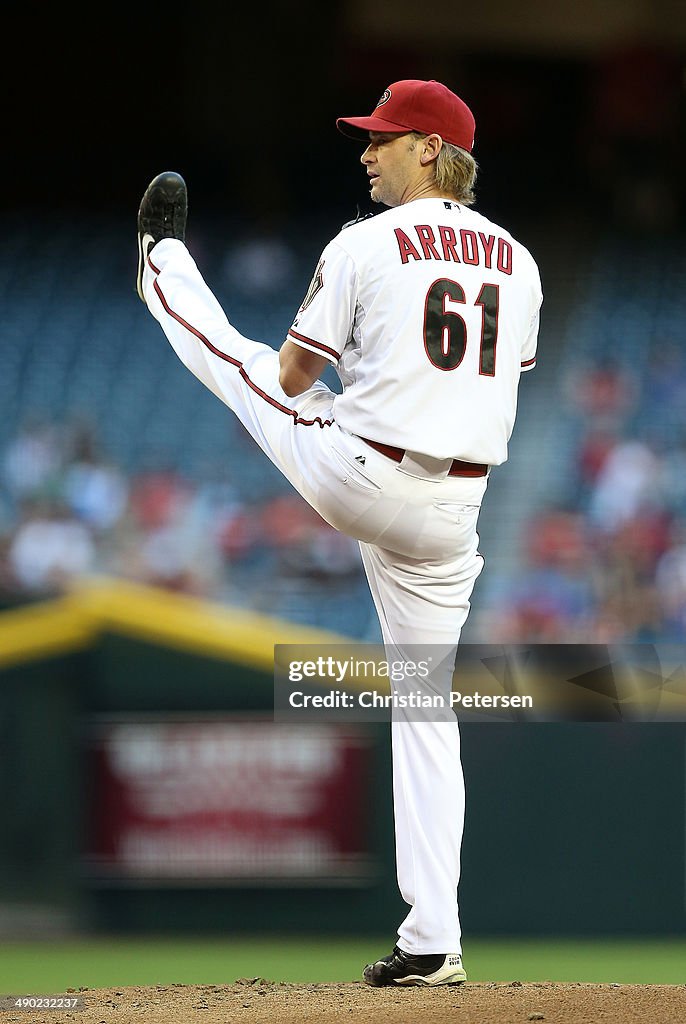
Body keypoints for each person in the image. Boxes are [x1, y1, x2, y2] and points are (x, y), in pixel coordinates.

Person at [135, 78, 543, 987]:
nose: (366, 152)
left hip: (365, 477)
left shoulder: (365, 242)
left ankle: (162, 265)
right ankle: (436, 940)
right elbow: (498, 369)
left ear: (431, 150)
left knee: (247, 369)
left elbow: (291, 372)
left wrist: (355, 370)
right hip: (454, 519)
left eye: (384, 138)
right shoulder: (522, 259)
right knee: (428, 711)